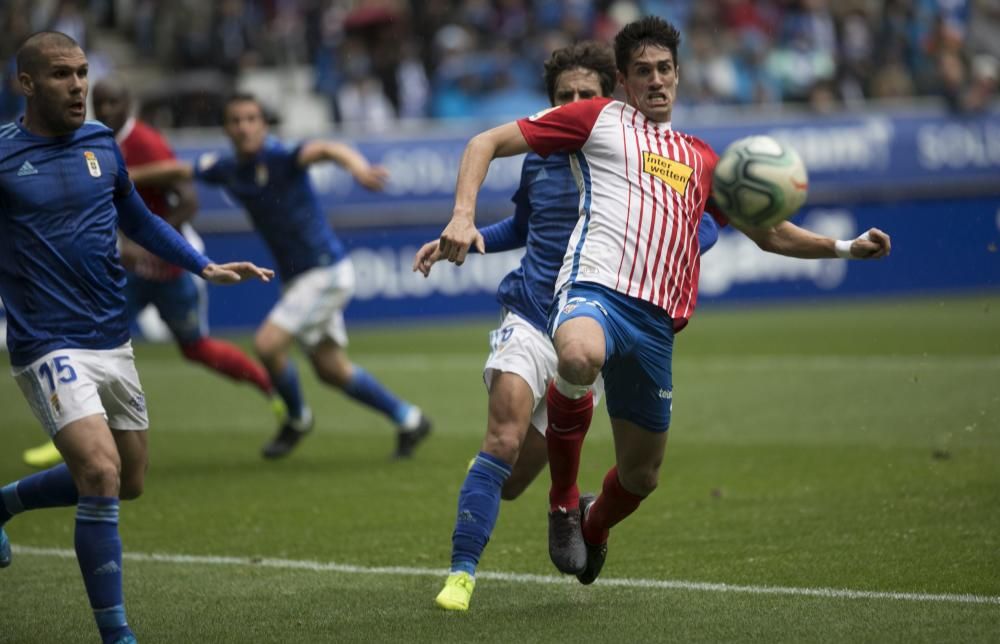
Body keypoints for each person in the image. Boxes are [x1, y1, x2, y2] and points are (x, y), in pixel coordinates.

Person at [435, 16, 891, 586]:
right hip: (594, 293)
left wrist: (845, 247)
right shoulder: (597, 118)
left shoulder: (701, 159)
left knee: (641, 476)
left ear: (679, 76)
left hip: (654, 326)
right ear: (623, 81)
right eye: (643, 71)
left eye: (665, 70)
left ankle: (594, 524)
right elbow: (486, 141)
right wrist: (462, 215)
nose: (656, 81)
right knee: (576, 356)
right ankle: (562, 505)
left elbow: (767, 231)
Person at [415, 41, 721, 611]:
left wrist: (675, 242)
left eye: (586, 94)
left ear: (609, 98)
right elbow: (528, 226)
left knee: (509, 482)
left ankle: (556, 498)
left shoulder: (633, 156)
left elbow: (701, 226)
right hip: (535, 312)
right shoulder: (541, 158)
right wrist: (473, 234)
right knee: (502, 441)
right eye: (564, 95)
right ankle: (460, 578)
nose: (574, 102)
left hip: (596, 320)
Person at [0, 31, 273, 644]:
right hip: (48, 342)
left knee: (129, 478)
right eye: (61, 76)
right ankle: (117, 634)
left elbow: (140, 218)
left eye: (81, 73)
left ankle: (3, 505)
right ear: (26, 84)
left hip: (111, 336)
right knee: (99, 472)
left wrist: (201, 264)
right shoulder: (3, 156)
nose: (77, 86)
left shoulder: (100, 143)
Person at [129, 93, 431, 460]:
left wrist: (357, 167)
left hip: (325, 272)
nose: (244, 127)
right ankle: (409, 419)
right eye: (236, 120)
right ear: (226, 128)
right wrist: (124, 178)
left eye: (251, 119)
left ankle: (298, 418)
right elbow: (178, 171)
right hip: (300, 279)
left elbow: (325, 149)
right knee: (331, 370)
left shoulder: (280, 157)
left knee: (268, 345)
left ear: (263, 125)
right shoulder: (227, 167)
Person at [21, 77, 281, 471]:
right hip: (131, 272)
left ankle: (268, 387)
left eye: (114, 103)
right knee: (87, 345)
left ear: (130, 104)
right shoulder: (98, 140)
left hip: (170, 268)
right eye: (101, 103)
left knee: (195, 348)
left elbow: (189, 200)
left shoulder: (144, 143)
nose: (107, 110)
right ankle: (69, 438)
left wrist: (145, 243)